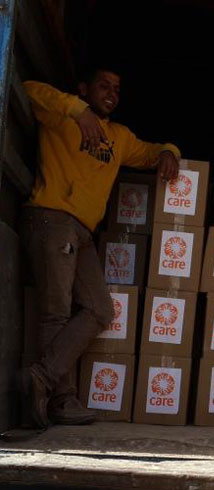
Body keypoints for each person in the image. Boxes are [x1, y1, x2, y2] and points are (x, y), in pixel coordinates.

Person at [20, 66, 180, 428]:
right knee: (55, 314)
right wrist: (77, 110)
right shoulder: (62, 114)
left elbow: (151, 151)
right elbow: (27, 90)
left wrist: (169, 150)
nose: (111, 92)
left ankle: (42, 378)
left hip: (82, 232)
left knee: (99, 309)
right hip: (52, 218)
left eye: (117, 89)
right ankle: (60, 400)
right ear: (83, 88)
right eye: (103, 85)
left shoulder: (118, 137)